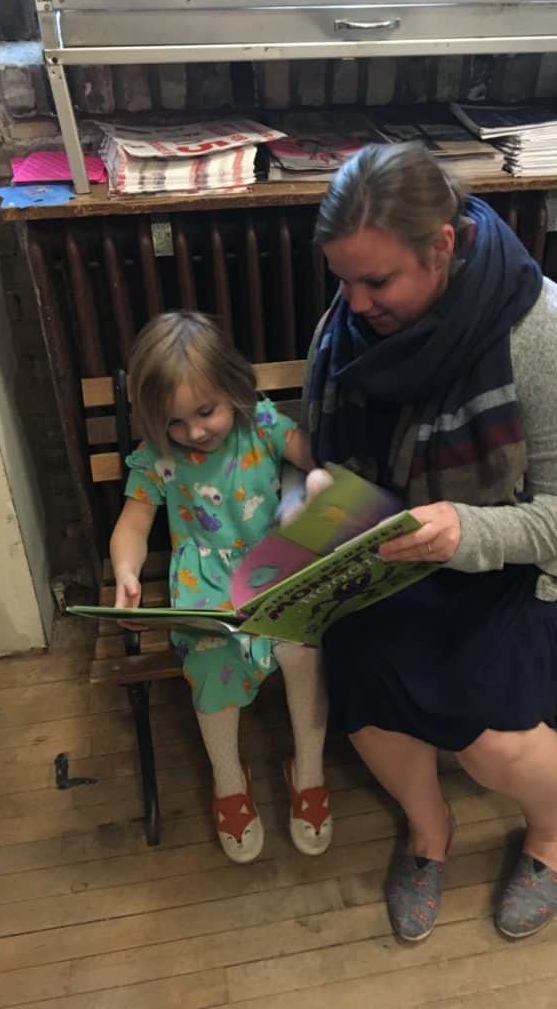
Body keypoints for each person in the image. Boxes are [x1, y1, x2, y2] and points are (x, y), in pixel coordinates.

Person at [300, 143, 557, 941]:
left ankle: (552, 832)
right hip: (401, 548)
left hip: (519, 560)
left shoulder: (551, 337)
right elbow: (335, 461)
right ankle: (427, 829)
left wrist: (465, 528)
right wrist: (321, 497)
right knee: (368, 689)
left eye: (377, 281)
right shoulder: (343, 333)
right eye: (343, 278)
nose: (355, 301)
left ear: (441, 246)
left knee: (493, 742)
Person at [109, 311, 332, 864]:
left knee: (303, 652)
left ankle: (309, 770)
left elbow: (315, 458)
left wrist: (320, 481)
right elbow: (133, 524)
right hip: (205, 585)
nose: (193, 433)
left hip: (275, 566)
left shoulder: (260, 425)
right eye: (174, 421)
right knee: (212, 663)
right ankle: (229, 782)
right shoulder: (160, 456)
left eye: (205, 412)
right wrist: (127, 574)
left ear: (234, 388)